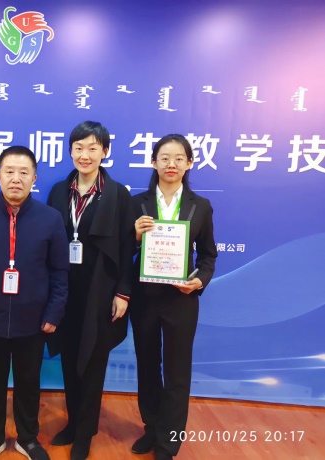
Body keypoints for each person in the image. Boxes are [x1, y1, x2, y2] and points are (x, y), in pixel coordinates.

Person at [0, 146, 69, 460]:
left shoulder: (51, 219)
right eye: (9, 172)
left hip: (33, 319)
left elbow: (60, 271)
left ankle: (27, 438)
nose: (16, 179)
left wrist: (54, 312)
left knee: (28, 382)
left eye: (23, 172)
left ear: (34, 178)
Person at [46, 121, 135, 460]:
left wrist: (123, 292)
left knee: (93, 363)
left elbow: (127, 247)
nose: (85, 155)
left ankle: (85, 433)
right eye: (79, 148)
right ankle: (73, 423)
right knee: (70, 358)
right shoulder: (58, 191)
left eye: (93, 148)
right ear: (70, 151)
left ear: (105, 152)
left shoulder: (118, 194)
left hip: (101, 291)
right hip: (64, 290)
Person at [129, 134, 217, 460]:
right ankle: (152, 428)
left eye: (179, 158)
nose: (171, 164)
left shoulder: (200, 206)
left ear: (189, 163)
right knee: (148, 366)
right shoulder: (136, 203)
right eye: (164, 158)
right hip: (145, 298)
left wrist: (199, 281)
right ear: (153, 162)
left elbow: (208, 255)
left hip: (181, 299)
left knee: (178, 371)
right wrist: (135, 236)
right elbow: (122, 251)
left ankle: (170, 441)